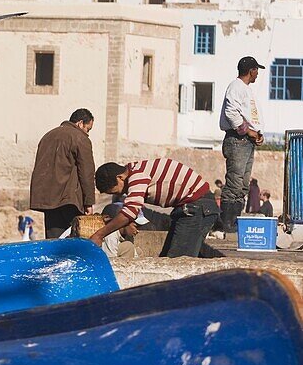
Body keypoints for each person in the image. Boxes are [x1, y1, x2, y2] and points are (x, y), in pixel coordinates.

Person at [89, 159, 219, 258]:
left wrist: (99, 234)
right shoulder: (136, 170)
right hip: (188, 208)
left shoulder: (137, 175)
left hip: (198, 207)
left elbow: (130, 212)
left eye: (116, 191)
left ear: (120, 178)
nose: (120, 194)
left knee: (176, 263)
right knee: (166, 258)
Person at [29, 108, 96, 238]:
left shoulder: (48, 136)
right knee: (75, 241)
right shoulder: (80, 138)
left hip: (49, 199)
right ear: (80, 123)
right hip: (69, 198)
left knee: (54, 241)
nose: (87, 134)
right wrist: (88, 202)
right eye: (88, 129)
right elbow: (86, 172)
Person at [219, 56, 265, 232]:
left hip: (247, 141)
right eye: (256, 70)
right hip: (237, 140)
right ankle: (227, 223)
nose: (257, 74)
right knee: (234, 183)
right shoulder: (236, 87)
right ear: (251, 70)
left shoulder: (246, 89)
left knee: (243, 184)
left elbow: (249, 115)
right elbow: (231, 113)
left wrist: (257, 134)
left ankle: (234, 222)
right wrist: (247, 131)